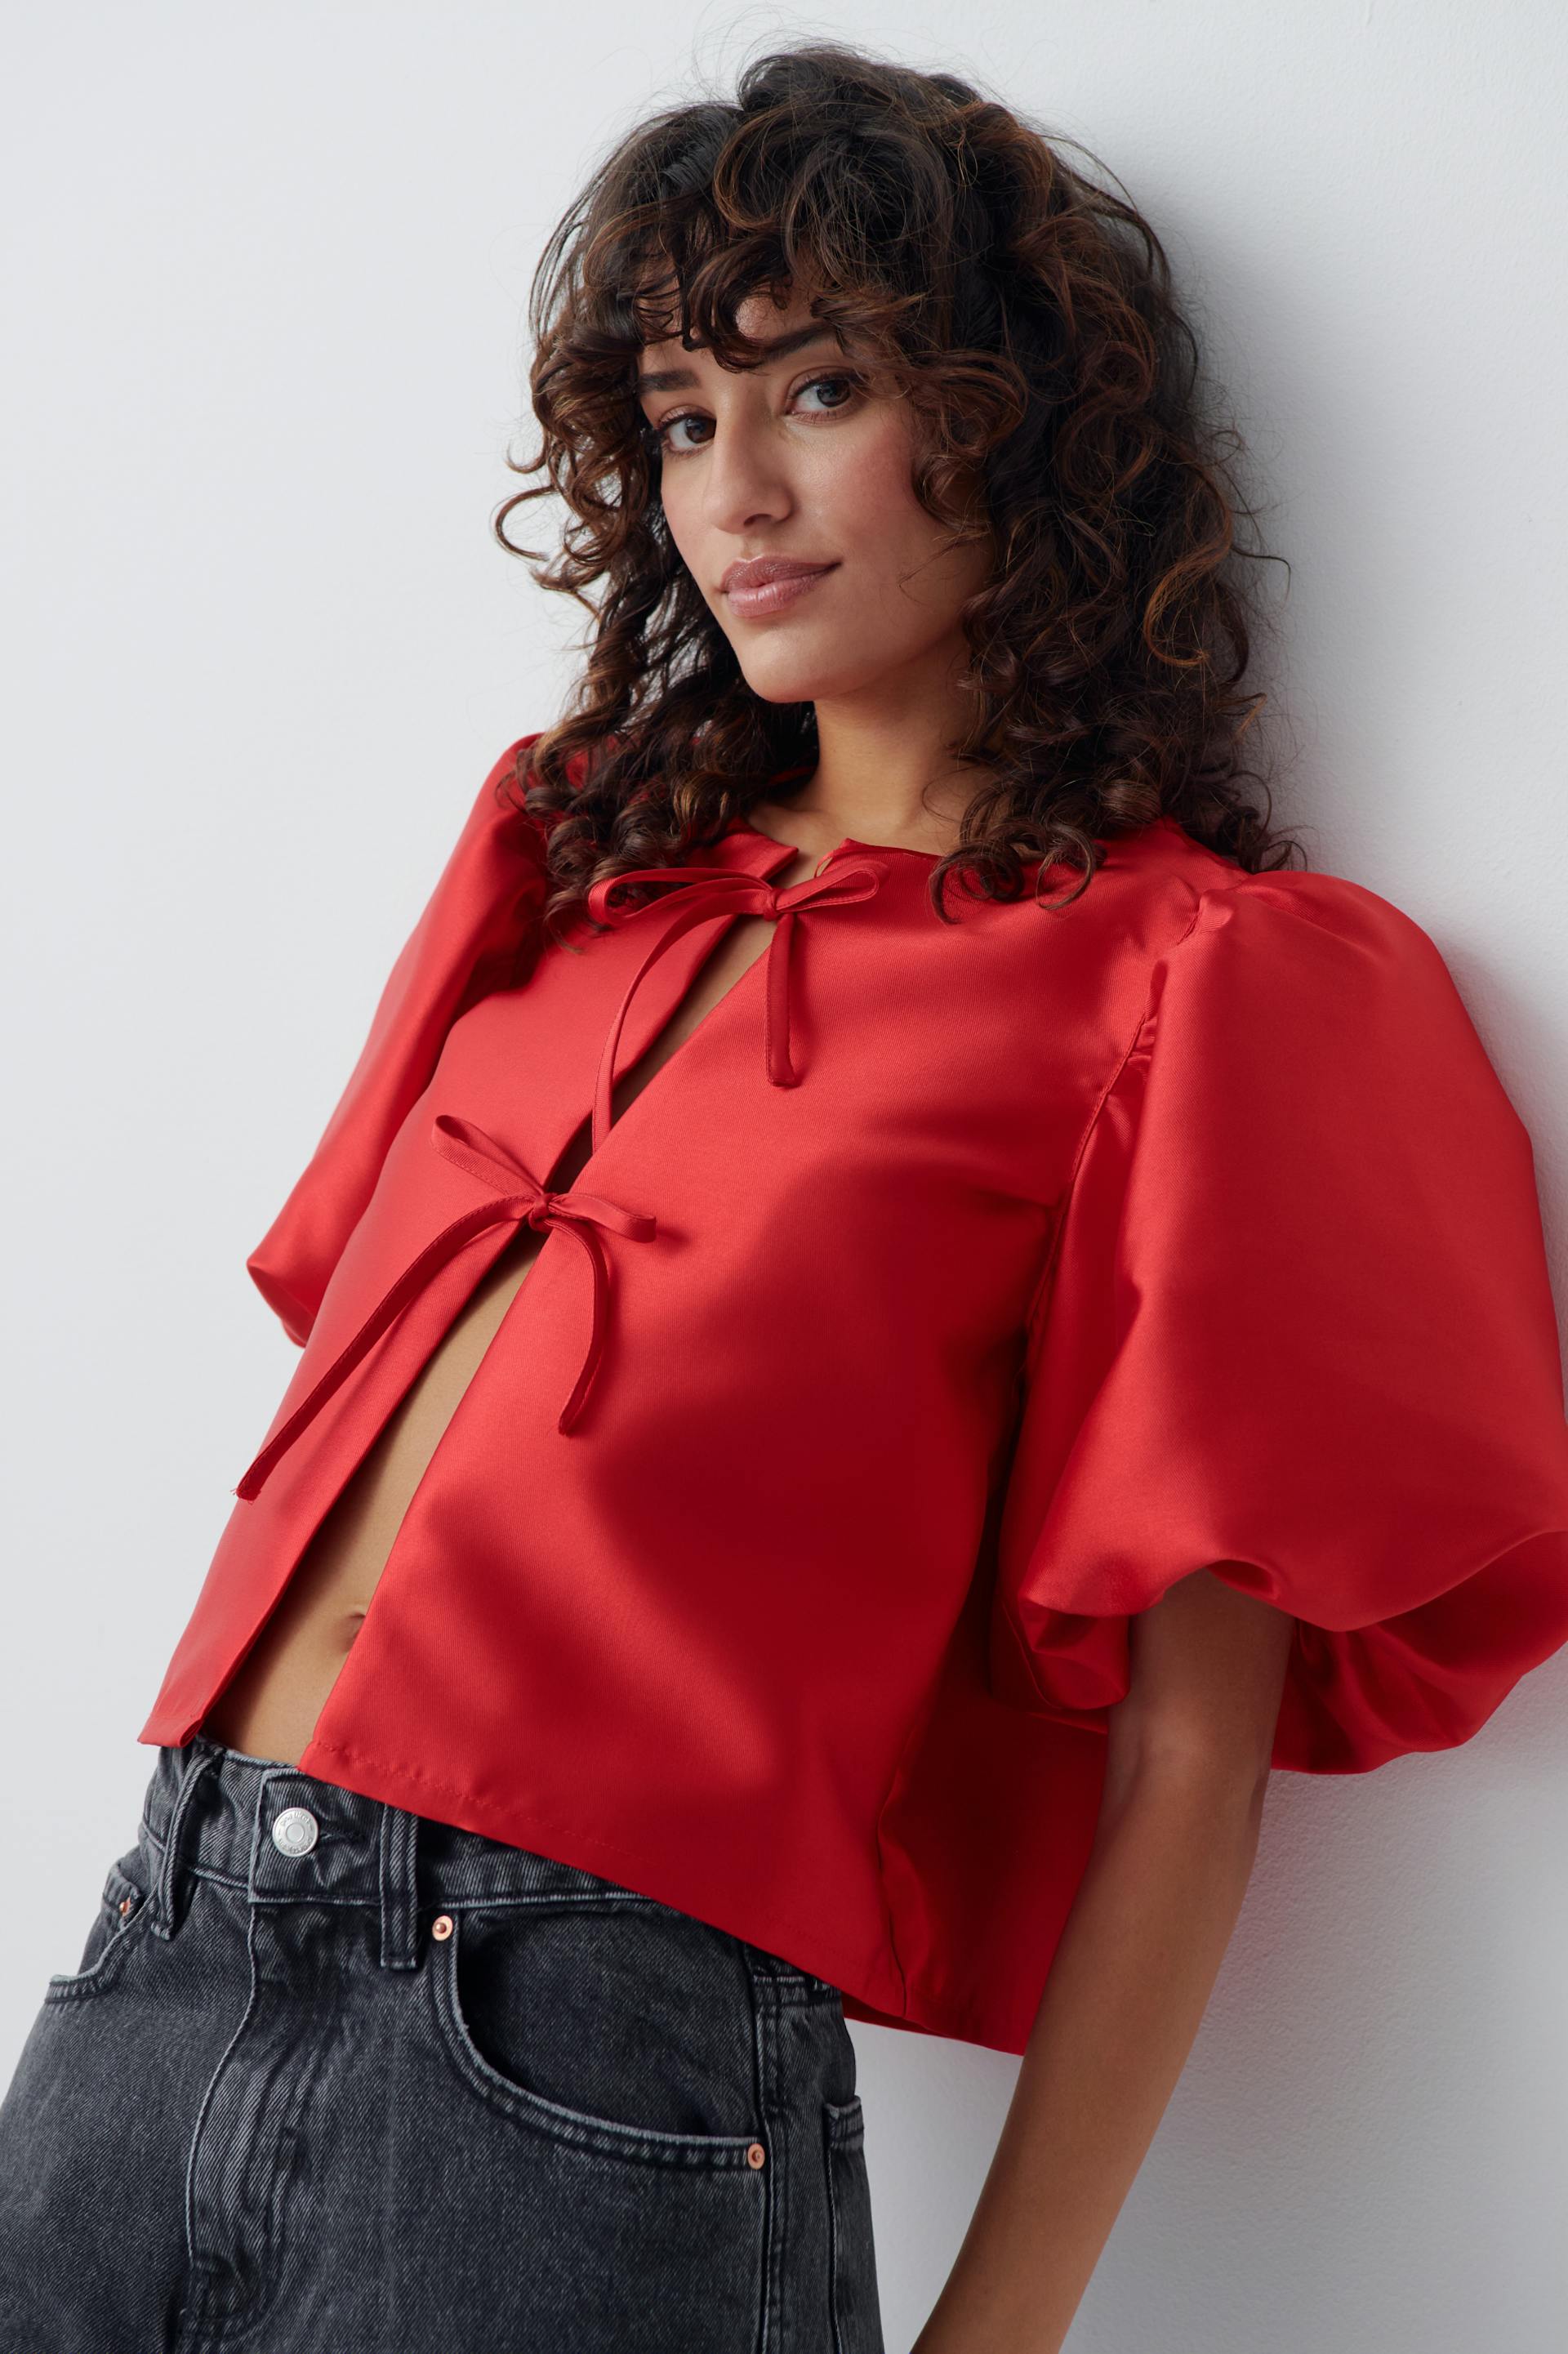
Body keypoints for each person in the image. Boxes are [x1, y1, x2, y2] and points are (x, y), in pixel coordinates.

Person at [5, 38, 1568, 2354]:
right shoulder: (567, 860)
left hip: (573, 2062)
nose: (731, 491)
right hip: (152, 1970)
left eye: (818, 389)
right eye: (676, 419)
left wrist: (996, 2332)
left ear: (1010, 419)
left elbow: (1189, 1757)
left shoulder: (1187, 981)